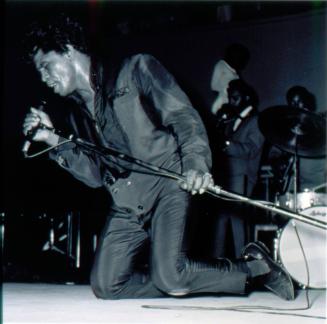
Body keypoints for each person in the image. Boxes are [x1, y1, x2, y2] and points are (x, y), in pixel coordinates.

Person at [22, 14, 294, 301]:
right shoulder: (75, 114)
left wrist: (195, 164)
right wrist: (53, 141)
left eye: (45, 66)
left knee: (172, 276)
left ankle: (256, 268)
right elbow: (93, 175)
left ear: (66, 49)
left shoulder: (136, 69)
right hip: (128, 198)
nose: (43, 77)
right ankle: (178, 279)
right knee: (107, 285)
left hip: (168, 180)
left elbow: (183, 117)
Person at [213, 79, 265, 258]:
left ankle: (243, 264)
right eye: (230, 98)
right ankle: (217, 264)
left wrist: (226, 143)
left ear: (247, 97)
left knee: (237, 221)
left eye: (234, 97)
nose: (231, 102)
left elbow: (251, 149)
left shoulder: (256, 120)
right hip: (228, 175)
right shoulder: (234, 120)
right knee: (220, 220)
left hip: (242, 176)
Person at [267, 86, 326, 198]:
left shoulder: (320, 127)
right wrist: (278, 162)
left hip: (317, 188)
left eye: (300, 102)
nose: (296, 106)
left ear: (308, 103)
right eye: (292, 103)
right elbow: (273, 154)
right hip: (290, 188)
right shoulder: (286, 130)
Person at [210, 43, 250, 115]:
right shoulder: (221, 65)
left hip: (235, 105)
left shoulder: (236, 75)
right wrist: (227, 89)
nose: (242, 62)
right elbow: (214, 87)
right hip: (223, 105)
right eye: (240, 58)